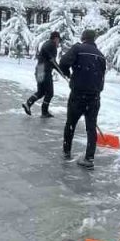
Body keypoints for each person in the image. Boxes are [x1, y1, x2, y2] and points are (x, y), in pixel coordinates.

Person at [59, 28, 107, 168]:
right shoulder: (101, 55)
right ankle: (89, 158)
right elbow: (101, 77)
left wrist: (69, 74)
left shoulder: (78, 48)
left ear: (83, 38)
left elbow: (63, 63)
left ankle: (67, 151)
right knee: (91, 127)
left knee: (71, 123)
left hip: (78, 94)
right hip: (94, 97)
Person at [24, 31, 62, 118]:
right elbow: (53, 61)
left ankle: (28, 103)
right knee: (49, 93)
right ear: (56, 38)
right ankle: (44, 112)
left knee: (41, 92)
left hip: (39, 69)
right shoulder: (52, 45)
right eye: (58, 40)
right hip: (45, 71)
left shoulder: (46, 44)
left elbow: (49, 59)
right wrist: (61, 71)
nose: (58, 42)